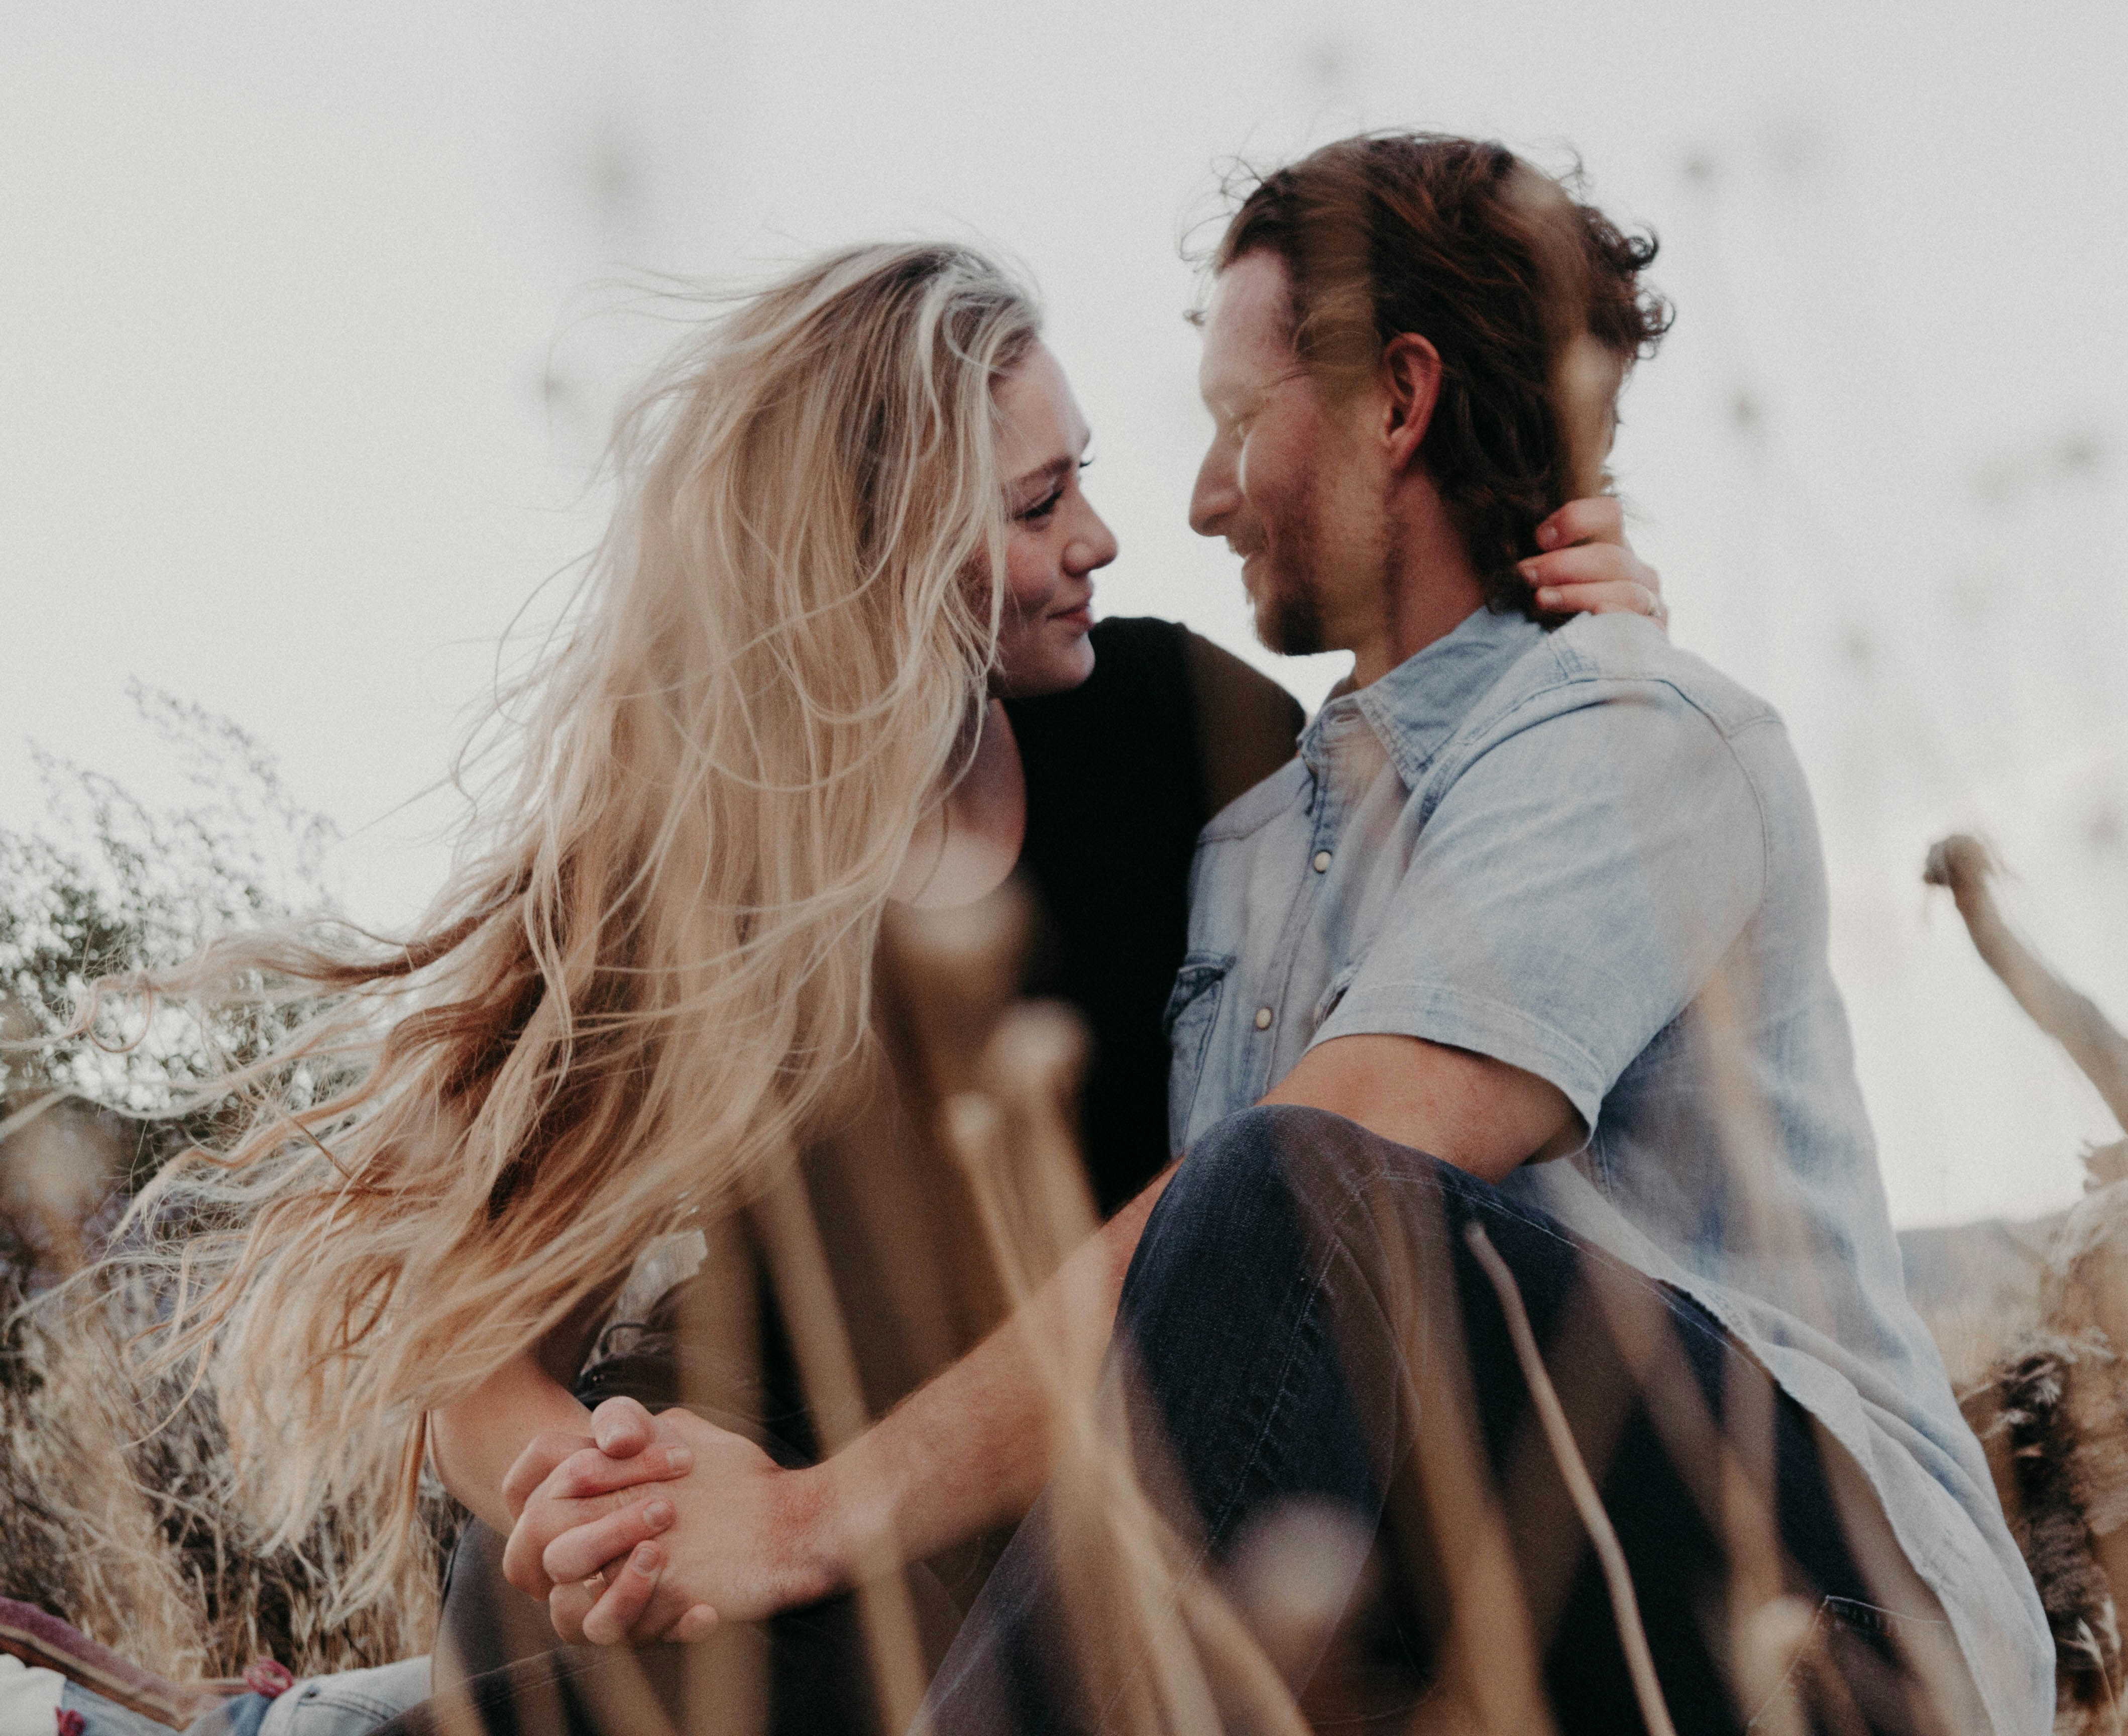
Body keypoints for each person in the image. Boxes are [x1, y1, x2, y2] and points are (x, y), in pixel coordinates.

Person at [509, 136, 2055, 1736]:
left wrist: (815, 1515)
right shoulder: (1248, 838)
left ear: (1400, 401)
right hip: (1444, 1612)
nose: (1195, 501)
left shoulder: (1637, 736)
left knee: (1292, 1183)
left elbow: (1333, 1186)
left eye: (1238, 421)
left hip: (1834, 1623)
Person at [76, 241, 1656, 1732]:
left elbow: (1457, 951)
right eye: (1039, 505)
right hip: (751, 1471)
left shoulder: (1186, 724)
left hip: (1064, 1486)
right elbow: (482, 1353)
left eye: (1081, 477)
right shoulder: (682, 861)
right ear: (878, 560)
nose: (1099, 539)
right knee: (594, 1625)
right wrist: (596, 1496)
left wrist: (1574, 656)